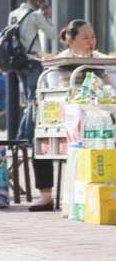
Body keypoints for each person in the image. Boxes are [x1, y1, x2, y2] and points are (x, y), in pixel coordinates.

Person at [29, 20, 108, 212]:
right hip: (67, 116)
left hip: (99, 114)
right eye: (85, 37)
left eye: (93, 37)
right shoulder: (59, 62)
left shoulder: (101, 60)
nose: (91, 42)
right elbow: (55, 90)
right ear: (70, 40)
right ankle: (46, 196)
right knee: (40, 139)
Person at [10, 0, 54, 140]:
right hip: (33, 61)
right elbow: (52, 34)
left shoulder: (14, 14)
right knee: (34, 100)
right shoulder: (35, 15)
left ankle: (22, 137)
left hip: (18, 61)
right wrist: (47, 16)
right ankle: (25, 137)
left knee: (30, 100)